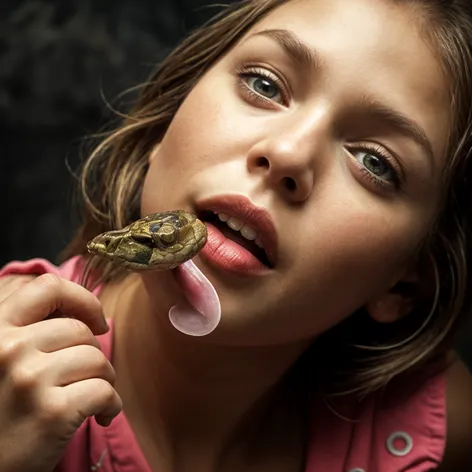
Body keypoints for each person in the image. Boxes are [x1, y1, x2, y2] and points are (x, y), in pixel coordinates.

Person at [1, 0, 472, 470]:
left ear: (405, 285)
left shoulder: (437, 429)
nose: (288, 153)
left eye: (375, 162)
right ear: (166, 127)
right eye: (263, 84)